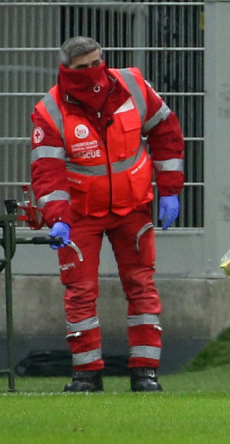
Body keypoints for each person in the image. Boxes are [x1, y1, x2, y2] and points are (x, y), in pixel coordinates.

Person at [30, 36, 185, 393]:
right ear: (68, 69)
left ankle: (146, 372)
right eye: (83, 67)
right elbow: (48, 171)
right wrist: (58, 217)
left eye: (97, 62)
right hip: (80, 214)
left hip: (133, 206)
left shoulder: (132, 84)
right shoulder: (50, 110)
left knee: (141, 286)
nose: (93, 73)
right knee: (80, 291)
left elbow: (166, 130)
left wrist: (171, 189)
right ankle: (87, 375)